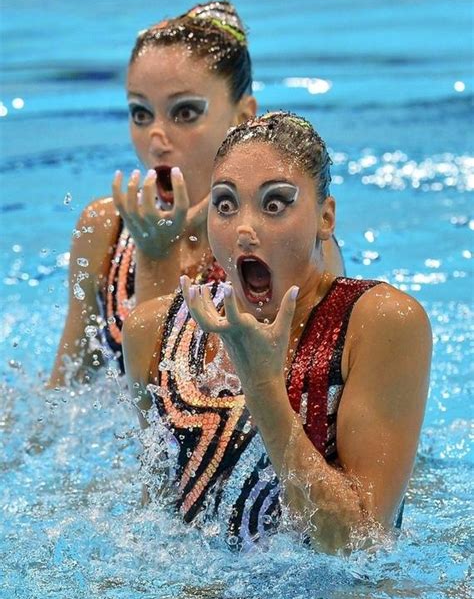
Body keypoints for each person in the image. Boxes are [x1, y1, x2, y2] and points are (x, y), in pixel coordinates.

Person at [123, 112, 432, 554]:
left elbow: (360, 546)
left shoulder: (381, 325)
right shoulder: (154, 331)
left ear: (325, 218)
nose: (244, 229)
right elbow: (157, 525)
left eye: (274, 204)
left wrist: (263, 385)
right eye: (225, 204)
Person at [49, 1, 345, 387]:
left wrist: (157, 258)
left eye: (185, 112)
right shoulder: (106, 229)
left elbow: (277, 417)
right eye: (140, 113)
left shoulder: (286, 243)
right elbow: (66, 392)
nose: (156, 137)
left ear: (243, 117)